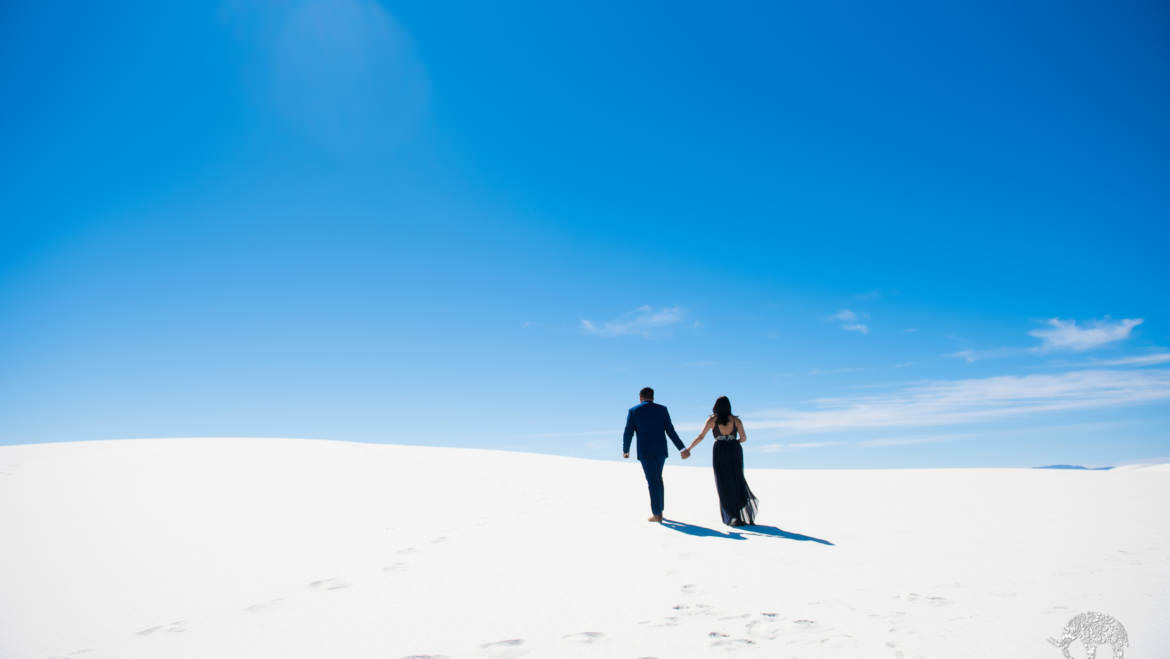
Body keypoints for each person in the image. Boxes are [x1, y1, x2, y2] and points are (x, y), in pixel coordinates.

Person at [682, 395, 758, 526]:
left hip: (720, 450)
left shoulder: (712, 420)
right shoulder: (736, 420)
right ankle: (740, 515)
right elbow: (744, 438)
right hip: (734, 450)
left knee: (723, 482)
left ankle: (731, 516)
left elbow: (701, 436)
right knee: (736, 480)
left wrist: (689, 448)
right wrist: (734, 442)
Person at [623, 387, 687, 522]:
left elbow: (629, 432)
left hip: (645, 451)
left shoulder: (634, 411)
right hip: (660, 451)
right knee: (657, 478)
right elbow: (671, 431)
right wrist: (681, 448)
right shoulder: (662, 410)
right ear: (653, 397)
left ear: (640, 397)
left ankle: (657, 514)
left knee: (652, 481)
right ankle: (660, 509)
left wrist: (626, 449)